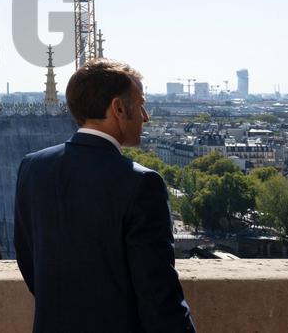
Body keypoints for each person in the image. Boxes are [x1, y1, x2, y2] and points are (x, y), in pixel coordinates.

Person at [14, 58, 194, 333]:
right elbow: (159, 296)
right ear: (118, 108)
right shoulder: (141, 183)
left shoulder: (33, 167)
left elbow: (30, 262)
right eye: (141, 104)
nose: (146, 116)